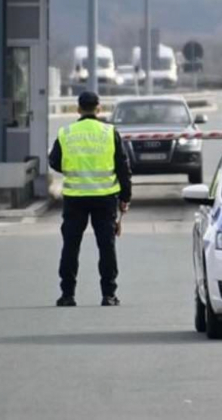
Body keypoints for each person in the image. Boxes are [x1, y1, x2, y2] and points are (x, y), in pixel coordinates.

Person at [49, 91, 132, 307]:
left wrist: (73, 169)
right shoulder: (109, 132)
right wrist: (125, 197)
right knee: (106, 246)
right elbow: (122, 166)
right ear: (98, 108)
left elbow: (54, 161)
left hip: (75, 198)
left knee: (71, 246)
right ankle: (109, 295)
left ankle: (67, 295)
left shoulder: (66, 132)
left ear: (78, 109)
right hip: (104, 198)